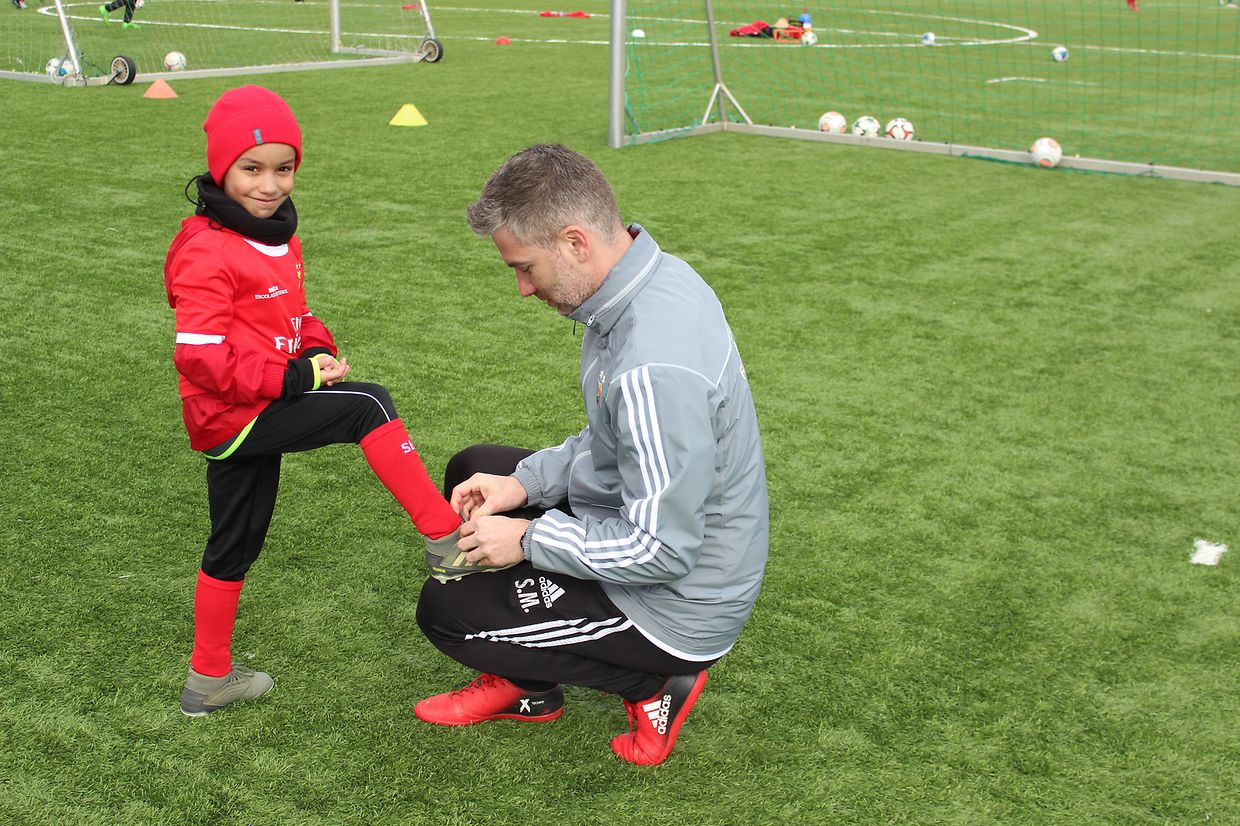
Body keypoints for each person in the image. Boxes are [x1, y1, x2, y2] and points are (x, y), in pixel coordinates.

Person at [414, 144, 769, 766]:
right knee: (477, 470)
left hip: (676, 603)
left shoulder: (653, 365)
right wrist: (522, 487)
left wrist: (528, 539)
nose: (523, 289)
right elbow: (610, 440)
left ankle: (657, 684)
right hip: (651, 522)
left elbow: (661, 550)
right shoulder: (651, 280)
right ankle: (532, 688)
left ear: (576, 242)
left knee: (448, 613)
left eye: (526, 267)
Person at [165, 85, 460, 716]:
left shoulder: (278, 234)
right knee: (368, 406)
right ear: (221, 168)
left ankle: (207, 680)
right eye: (251, 169)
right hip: (231, 412)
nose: (269, 185)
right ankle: (445, 539)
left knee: (234, 542)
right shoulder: (207, 248)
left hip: (253, 403)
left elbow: (291, 313)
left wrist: (315, 348)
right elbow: (201, 358)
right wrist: (296, 379)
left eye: (283, 168)